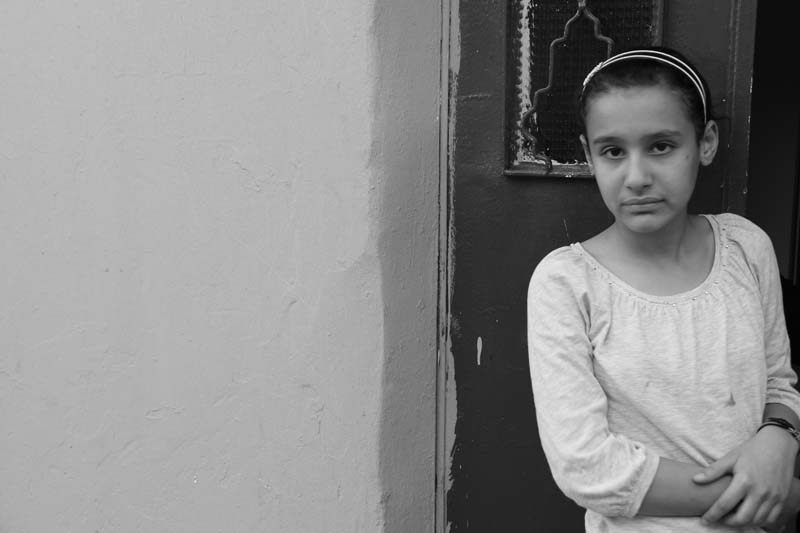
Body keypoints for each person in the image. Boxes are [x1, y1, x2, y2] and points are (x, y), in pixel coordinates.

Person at [526, 47, 800, 532]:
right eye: (613, 151)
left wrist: (780, 437)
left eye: (661, 146)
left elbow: (778, 380)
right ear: (589, 155)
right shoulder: (567, 282)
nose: (637, 178)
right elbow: (587, 466)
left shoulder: (746, 247)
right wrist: (777, 494)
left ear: (706, 142)